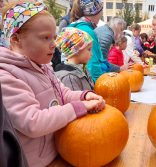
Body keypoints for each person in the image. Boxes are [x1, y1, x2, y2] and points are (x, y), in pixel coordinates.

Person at [0, 1, 105, 166]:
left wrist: (84, 96)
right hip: (34, 162)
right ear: (16, 39)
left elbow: (64, 94)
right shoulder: (6, 76)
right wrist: (79, 108)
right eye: (45, 37)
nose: (54, 44)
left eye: (54, 37)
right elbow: (33, 122)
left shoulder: (43, 67)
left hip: (56, 153)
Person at [69, 0, 129, 82]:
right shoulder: (87, 31)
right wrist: (99, 86)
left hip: (76, 80)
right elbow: (93, 65)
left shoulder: (77, 26)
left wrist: (118, 68)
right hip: (85, 83)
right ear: (96, 12)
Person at [0, 84, 28, 167]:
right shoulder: (6, 77)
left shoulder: (46, 71)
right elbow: (29, 122)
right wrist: (69, 109)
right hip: (39, 157)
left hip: (52, 148)